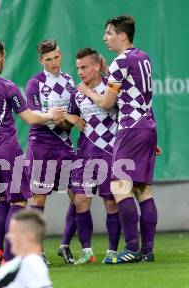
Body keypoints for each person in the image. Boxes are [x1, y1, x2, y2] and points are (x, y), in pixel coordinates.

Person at [0, 38, 66, 264]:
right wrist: (50, 115)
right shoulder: (7, 87)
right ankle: (9, 257)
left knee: (1, 199)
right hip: (8, 151)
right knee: (17, 202)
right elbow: (29, 118)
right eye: (4, 57)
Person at [78, 15, 159, 263]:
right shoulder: (142, 57)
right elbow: (135, 90)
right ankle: (147, 250)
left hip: (131, 128)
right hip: (147, 124)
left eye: (109, 33)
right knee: (142, 189)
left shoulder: (121, 61)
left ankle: (132, 248)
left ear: (122, 35)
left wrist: (87, 91)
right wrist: (107, 72)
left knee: (119, 186)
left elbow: (106, 102)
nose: (105, 38)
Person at [25, 39, 86, 264]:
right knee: (39, 199)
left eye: (57, 57)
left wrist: (68, 118)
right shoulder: (35, 83)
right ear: (41, 60)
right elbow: (36, 116)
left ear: (61, 55)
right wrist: (66, 118)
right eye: (48, 59)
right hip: (41, 145)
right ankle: (37, 252)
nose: (54, 62)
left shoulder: (70, 80)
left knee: (79, 197)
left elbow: (74, 113)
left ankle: (65, 245)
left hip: (65, 146)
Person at [66, 48, 121, 265]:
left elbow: (126, 110)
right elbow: (71, 115)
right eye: (78, 67)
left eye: (84, 67)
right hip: (85, 155)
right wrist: (69, 117)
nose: (80, 71)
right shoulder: (76, 93)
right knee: (80, 201)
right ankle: (87, 251)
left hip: (111, 154)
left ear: (97, 66)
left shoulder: (112, 85)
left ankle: (113, 251)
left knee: (111, 203)